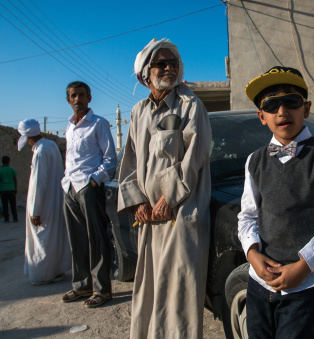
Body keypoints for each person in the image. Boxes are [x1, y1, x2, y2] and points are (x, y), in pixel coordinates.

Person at [238, 66, 314, 338]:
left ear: (306, 109)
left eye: (292, 102)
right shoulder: (255, 161)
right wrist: (253, 256)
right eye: (272, 104)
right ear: (261, 116)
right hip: (259, 282)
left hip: (305, 283)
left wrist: (303, 266)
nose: (282, 111)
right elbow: (248, 216)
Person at [117, 38, 212, 339]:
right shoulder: (137, 112)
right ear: (147, 71)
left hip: (181, 214)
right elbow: (128, 163)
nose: (169, 67)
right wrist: (137, 202)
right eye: (162, 63)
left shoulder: (191, 106)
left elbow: (194, 157)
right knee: (150, 290)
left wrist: (167, 198)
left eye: (173, 62)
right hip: (148, 218)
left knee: (179, 294)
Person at [60, 81, 117, 308]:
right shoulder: (69, 127)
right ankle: (82, 285)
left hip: (89, 188)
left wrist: (94, 181)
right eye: (73, 96)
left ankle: (102, 289)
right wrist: (66, 181)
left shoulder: (99, 124)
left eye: (81, 95)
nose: (77, 99)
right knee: (77, 240)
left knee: (97, 239)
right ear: (68, 100)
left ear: (89, 98)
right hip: (70, 189)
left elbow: (110, 158)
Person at [18, 119, 71, 285]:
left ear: (27, 137)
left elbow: (38, 183)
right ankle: (55, 270)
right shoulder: (51, 145)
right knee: (53, 237)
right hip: (55, 199)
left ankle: (42, 274)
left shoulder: (40, 151)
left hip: (44, 204)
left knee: (42, 239)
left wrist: (35, 210)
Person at [0, 156, 18, 223]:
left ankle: (6, 218)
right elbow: (15, 180)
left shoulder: (0, 170)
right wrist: (15, 188)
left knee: (5, 205)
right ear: (8, 161)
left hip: (3, 190)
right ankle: (15, 218)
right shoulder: (12, 169)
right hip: (11, 189)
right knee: (13, 205)